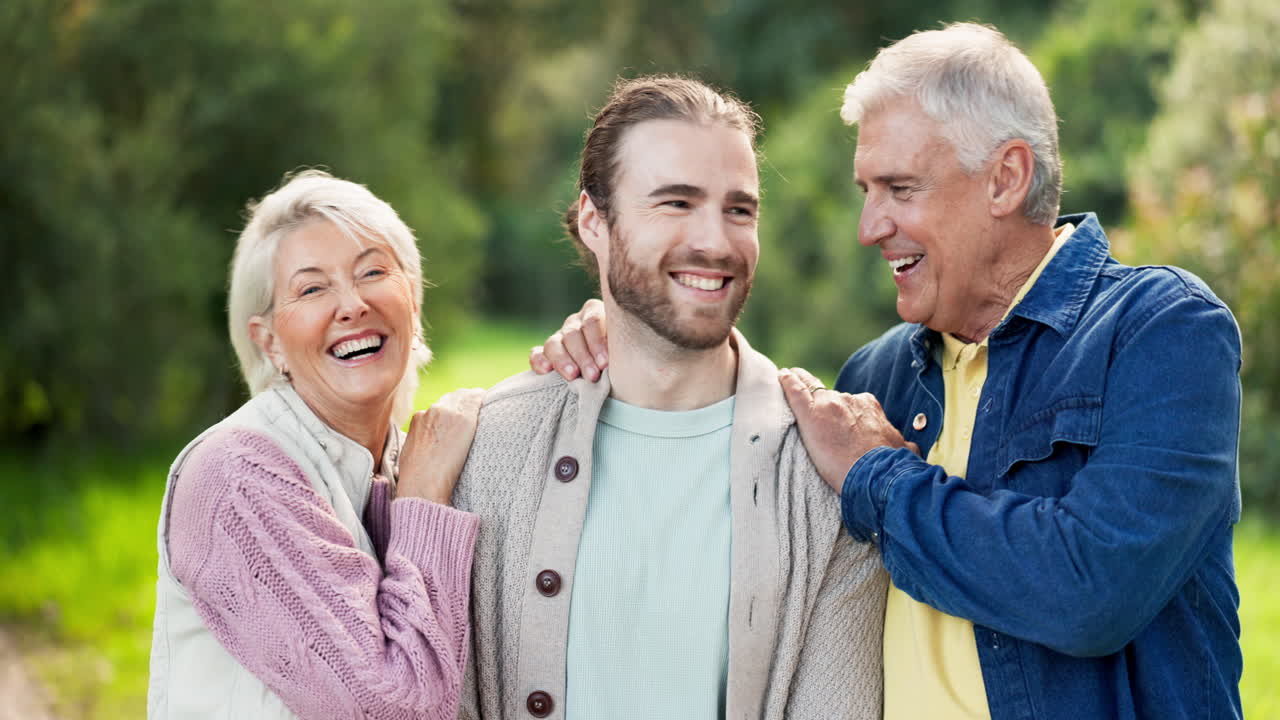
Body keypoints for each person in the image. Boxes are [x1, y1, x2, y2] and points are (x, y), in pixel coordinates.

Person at [536, 23, 1244, 720]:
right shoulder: (878, 374)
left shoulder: (1159, 329)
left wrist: (880, 476)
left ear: (1006, 178)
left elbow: (1092, 592)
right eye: (866, 191)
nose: (869, 227)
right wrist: (623, 331)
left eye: (900, 189)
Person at [453, 76, 886, 720]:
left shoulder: (825, 473)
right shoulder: (487, 450)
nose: (714, 241)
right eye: (676, 203)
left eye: (739, 209)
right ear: (595, 222)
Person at [147, 170, 484, 719]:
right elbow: (394, 710)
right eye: (311, 288)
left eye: (373, 271)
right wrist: (423, 496)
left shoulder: (395, 459)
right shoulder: (237, 475)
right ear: (269, 342)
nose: (351, 305)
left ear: (413, 304)